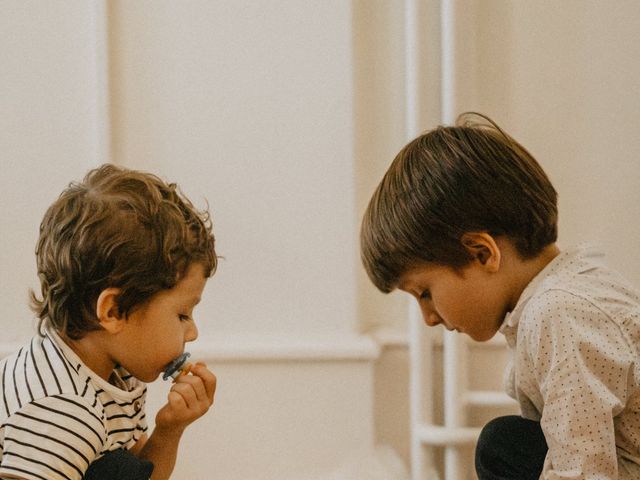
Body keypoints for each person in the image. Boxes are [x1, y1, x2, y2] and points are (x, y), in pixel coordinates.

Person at [360, 113, 640, 479]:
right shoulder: (563, 295)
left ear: (482, 253)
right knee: (508, 444)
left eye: (425, 293)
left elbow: (583, 471)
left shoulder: (560, 312)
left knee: (502, 445)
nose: (428, 317)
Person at [0, 164, 218, 480]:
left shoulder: (117, 376)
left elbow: (138, 476)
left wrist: (170, 427)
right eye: (182, 315)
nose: (193, 332)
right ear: (113, 311)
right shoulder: (62, 410)